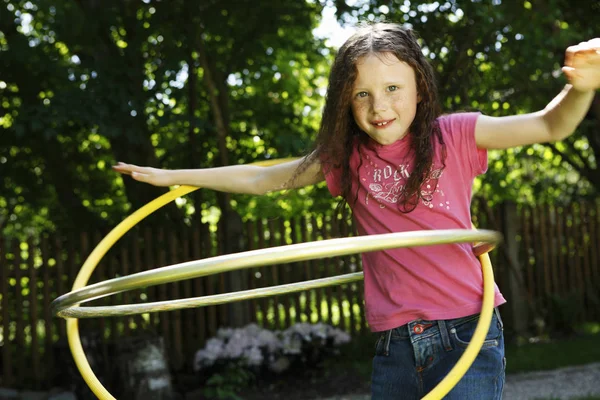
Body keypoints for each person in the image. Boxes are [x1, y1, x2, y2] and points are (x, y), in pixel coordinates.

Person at [113, 23, 600, 400]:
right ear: (344, 102)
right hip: (394, 343)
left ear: (420, 90)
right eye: (362, 94)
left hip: (465, 330)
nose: (379, 106)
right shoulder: (344, 159)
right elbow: (264, 178)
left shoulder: (454, 135)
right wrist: (176, 177)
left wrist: (580, 87)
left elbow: (549, 126)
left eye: (393, 89)